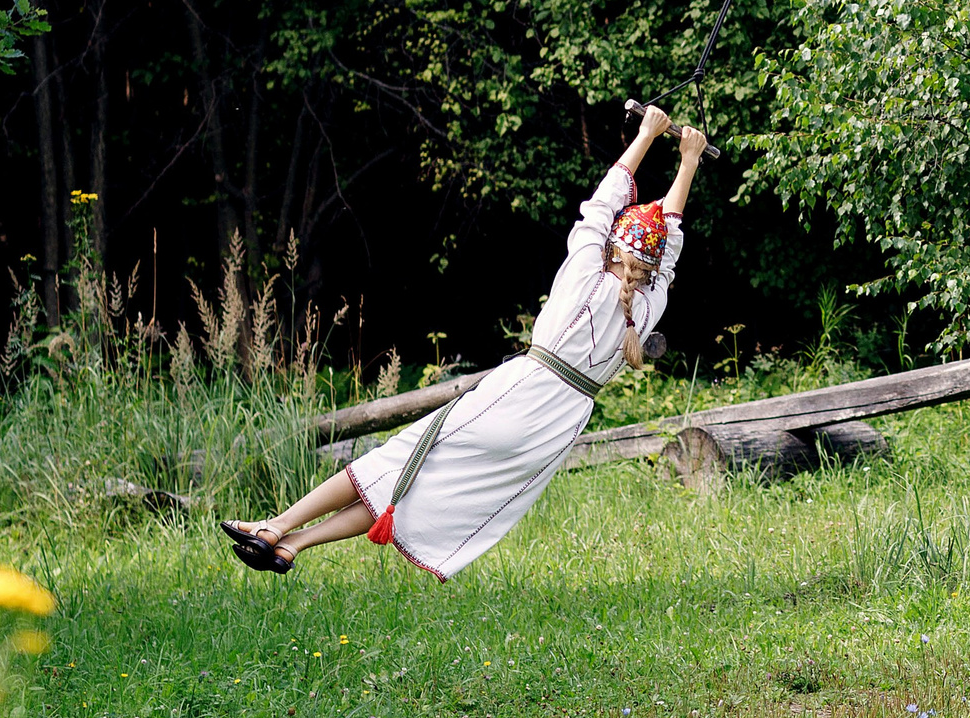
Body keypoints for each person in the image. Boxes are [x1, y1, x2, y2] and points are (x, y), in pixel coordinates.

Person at [223, 105, 707, 578]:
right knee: (413, 489)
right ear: (652, 268)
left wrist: (646, 135)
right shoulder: (648, 308)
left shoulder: (584, 273)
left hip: (522, 392)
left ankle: (277, 525)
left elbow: (599, 207)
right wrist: (688, 160)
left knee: (395, 458)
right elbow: (670, 249)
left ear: (610, 247)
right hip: (555, 428)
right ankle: (293, 545)